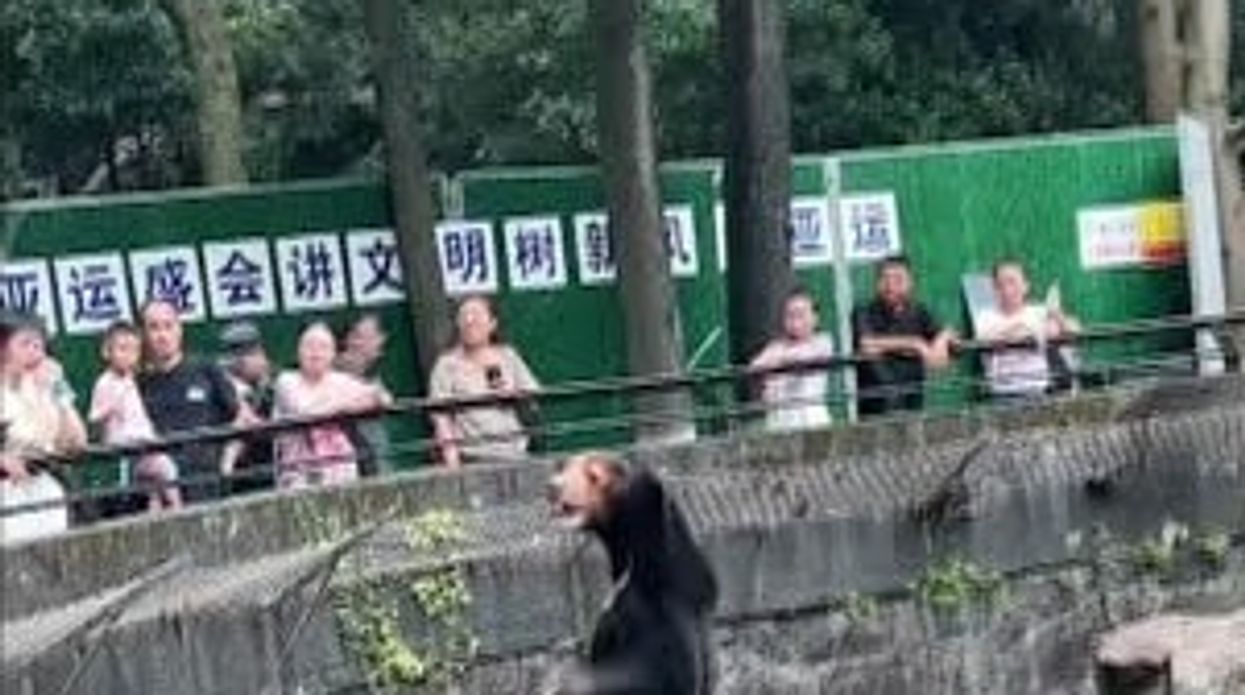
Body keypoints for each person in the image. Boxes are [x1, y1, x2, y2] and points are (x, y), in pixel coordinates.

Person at [138, 300, 239, 503]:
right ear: (144, 335)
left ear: (179, 330)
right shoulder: (140, 384)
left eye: (168, 326)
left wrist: (227, 464)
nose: (162, 335)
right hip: (164, 492)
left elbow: (242, 419)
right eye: (154, 328)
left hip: (208, 485)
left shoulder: (206, 370)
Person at [1, 312, 88, 544]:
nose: (35, 353)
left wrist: (60, 394)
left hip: (45, 487)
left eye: (39, 346)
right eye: (25, 344)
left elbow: (77, 442)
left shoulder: (46, 386)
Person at [272, 322, 391, 490]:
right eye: (309, 346)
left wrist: (334, 403)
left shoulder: (338, 380)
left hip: (343, 471)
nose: (316, 352)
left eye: (323, 347)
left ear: (333, 354)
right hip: (300, 475)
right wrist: (345, 403)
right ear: (299, 351)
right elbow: (306, 412)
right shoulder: (287, 380)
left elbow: (382, 397)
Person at [429, 296, 540, 468]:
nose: (469, 321)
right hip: (473, 456)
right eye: (464, 316)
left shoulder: (507, 355)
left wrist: (514, 394)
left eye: (476, 315)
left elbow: (533, 395)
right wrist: (453, 464)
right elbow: (441, 418)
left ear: (492, 324)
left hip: (515, 450)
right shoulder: (446, 365)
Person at [88, 321, 181, 512]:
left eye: (134, 351)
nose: (128, 356)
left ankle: (164, 508)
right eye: (122, 349)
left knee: (159, 476)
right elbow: (95, 418)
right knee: (164, 467)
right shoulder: (105, 382)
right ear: (107, 352)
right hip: (123, 443)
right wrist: (112, 404)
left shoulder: (134, 379)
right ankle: (176, 506)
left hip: (144, 440)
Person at [852, 255, 955, 416]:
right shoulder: (863, 310)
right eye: (885, 278)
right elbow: (867, 343)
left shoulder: (919, 311)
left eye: (898, 279)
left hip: (913, 403)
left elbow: (948, 332)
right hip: (877, 408)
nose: (890, 286)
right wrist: (916, 344)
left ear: (910, 283)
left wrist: (942, 339)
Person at [977, 260, 1081, 402]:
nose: (1007, 290)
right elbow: (986, 338)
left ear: (1026, 286)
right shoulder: (986, 317)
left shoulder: (1038, 312)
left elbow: (1074, 330)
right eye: (1000, 285)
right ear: (994, 289)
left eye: (1012, 282)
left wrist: (1057, 314)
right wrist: (1027, 328)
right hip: (1003, 395)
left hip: (1038, 391)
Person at [750, 288, 835, 431]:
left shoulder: (823, 341)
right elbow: (755, 366)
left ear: (814, 317)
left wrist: (778, 359)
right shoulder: (776, 346)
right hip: (779, 422)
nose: (795, 321)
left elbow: (802, 357)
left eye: (801, 314)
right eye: (790, 315)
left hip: (811, 421)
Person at [218, 321, 275, 495]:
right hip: (237, 482)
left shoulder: (271, 388)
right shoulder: (221, 390)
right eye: (254, 354)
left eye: (260, 353)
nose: (262, 360)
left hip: (271, 475)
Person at [336, 314, 394, 476]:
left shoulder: (370, 370)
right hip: (352, 452)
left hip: (373, 451)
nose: (380, 341)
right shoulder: (339, 367)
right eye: (371, 336)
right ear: (350, 339)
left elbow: (386, 400)